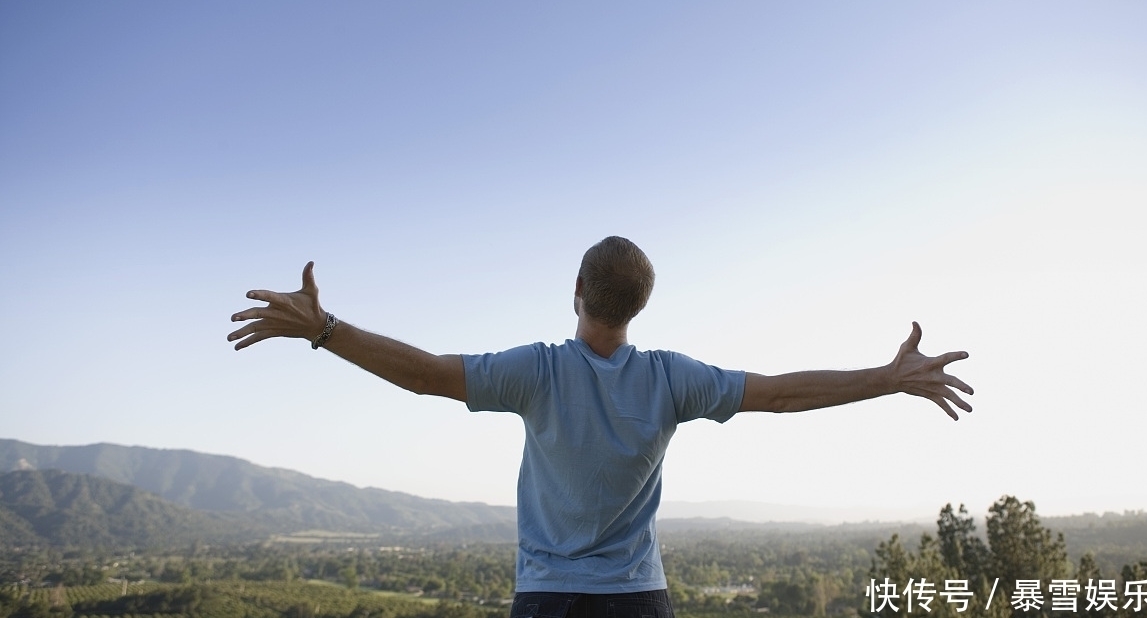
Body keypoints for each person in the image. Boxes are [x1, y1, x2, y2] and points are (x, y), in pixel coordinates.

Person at [228, 236, 972, 618]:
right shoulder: (673, 378)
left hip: (547, 599)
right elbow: (778, 395)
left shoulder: (538, 370)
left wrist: (322, 328)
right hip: (640, 601)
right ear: (638, 305)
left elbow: (422, 374)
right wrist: (886, 378)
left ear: (578, 290)